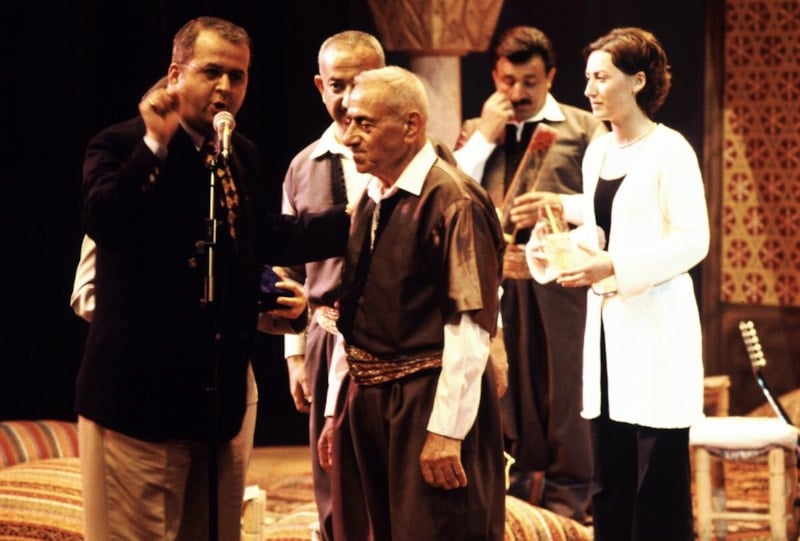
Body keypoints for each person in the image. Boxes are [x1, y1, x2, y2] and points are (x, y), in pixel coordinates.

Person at [76, 16, 347, 540]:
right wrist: (155, 146)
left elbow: (264, 235)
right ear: (175, 74)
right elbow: (106, 221)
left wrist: (360, 220)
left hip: (215, 406)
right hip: (138, 404)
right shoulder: (120, 145)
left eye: (237, 76)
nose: (225, 87)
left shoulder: (238, 154)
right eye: (211, 71)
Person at [526, 27, 709, 540]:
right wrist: (553, 245)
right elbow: (602, 230)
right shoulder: (600, 151)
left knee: (657, 483)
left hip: (657, 330)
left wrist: (615, 266)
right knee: (609, 477)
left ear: (638, 81)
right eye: (587, 77)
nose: (589, 89)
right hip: (609, 333)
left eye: (601, 77)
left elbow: (693, 240)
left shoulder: (670, 150)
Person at [312, 65, 506, 540]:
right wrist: (336, 410)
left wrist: (447, 430)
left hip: (426, 400)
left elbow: (470, 326)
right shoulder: (372, 196)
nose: (349, 137)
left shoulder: (453, 201)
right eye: (349, 121)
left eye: (365, 124)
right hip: (368, 398)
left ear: (411, 126)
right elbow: (351, 315)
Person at [453, 25, 606, 522]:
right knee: (503, 392)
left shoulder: (583, 128)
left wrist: (558, 205)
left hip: (563, 283)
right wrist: (484, 136)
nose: (517, 93)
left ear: (551, 77)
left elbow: (608, 202)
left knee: (566, 392)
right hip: (495, 282)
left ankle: (572, 504)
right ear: (495, 77)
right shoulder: (478, 129)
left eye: (530, 82)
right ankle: (512, 502)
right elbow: (446, 192)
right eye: (508, 81)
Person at [279, 30, 385, 540]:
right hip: (326, 339)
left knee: (393, 483)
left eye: (360, 84)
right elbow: (289, 271)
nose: (348, 100)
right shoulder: (303, 166)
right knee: (334, 489)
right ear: (321, 87)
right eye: (337, 85)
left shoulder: (418, 157)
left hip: (399, 343)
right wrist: (296, 356)